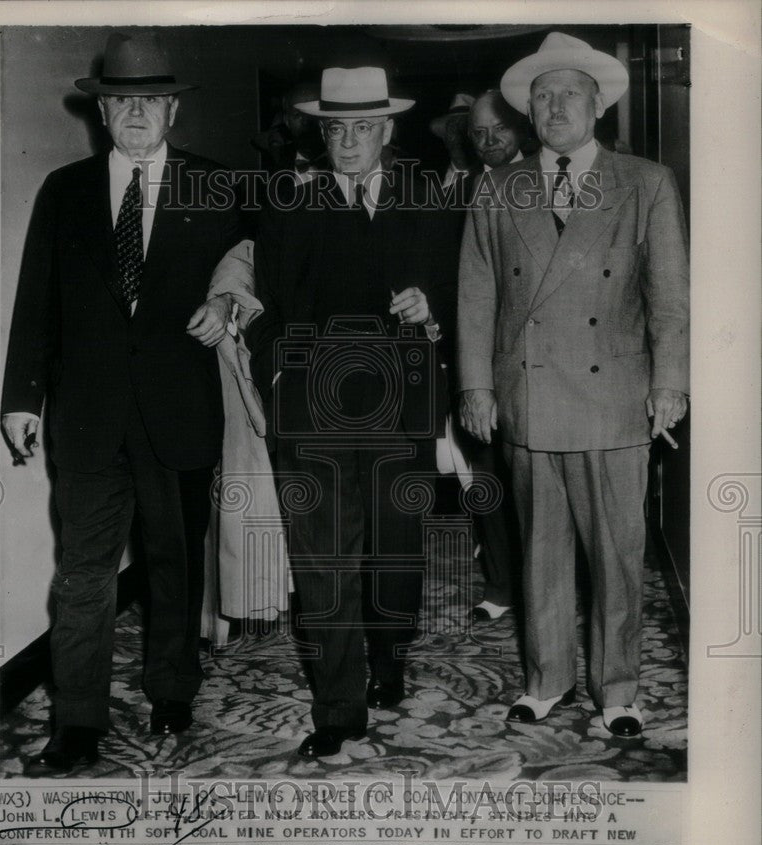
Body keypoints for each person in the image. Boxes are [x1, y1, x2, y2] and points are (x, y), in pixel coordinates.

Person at [1, 32, 241, 774]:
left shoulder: (217, 185)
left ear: (171, 109)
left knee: (175, 566)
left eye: (149, 100)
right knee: (84, 574)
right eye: (120, 101)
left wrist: (230, 304)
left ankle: (172, 691)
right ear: (102, 114)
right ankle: (76, 721)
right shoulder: (64, 191)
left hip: (179, 413)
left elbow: (254, 265)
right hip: (87, 418)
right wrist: (22, 397)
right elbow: (35, 299)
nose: (135, 113)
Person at [457, 33, 689, 737]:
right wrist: (474, 386)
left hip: (614, 396)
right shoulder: (498, 185)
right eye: (541, 94)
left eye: (568, 93)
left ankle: (616, 689)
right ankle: (545, 679)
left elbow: (670, 298)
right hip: (527, 396)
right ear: (528, 110)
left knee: (617, 556)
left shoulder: (644, 182)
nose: (553, 105)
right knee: (540, 551)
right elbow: (476, 294)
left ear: (598, 104)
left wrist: (671, 384)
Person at [244, 66, 452, 758]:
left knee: (395, 553)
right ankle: (337, 707)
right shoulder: (288, 208)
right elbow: (264, 316)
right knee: (323, 565)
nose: (350, 141)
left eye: (364, 128)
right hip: (314, 416)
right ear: (322, 133)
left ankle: (387, 659)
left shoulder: (428, 202)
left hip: (400, 413)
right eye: (337, 129)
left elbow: (462, 296)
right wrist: (284, 384)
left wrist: (432, 313)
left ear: (387, 131)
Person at [442, 90, 531, 623]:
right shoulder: (469, 186)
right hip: (478, 358)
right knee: (486, 478)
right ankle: (501, 584)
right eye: (478, 133)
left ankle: (547, 586)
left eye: (499, 130)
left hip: (535, 363)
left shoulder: (545, 180)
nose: (490, 141)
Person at [429, 93, 477, 190]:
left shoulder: (489, 176)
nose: (458, 136)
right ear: (444, 136)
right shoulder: (427, 176)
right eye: (452, 129)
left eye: (465, 128)